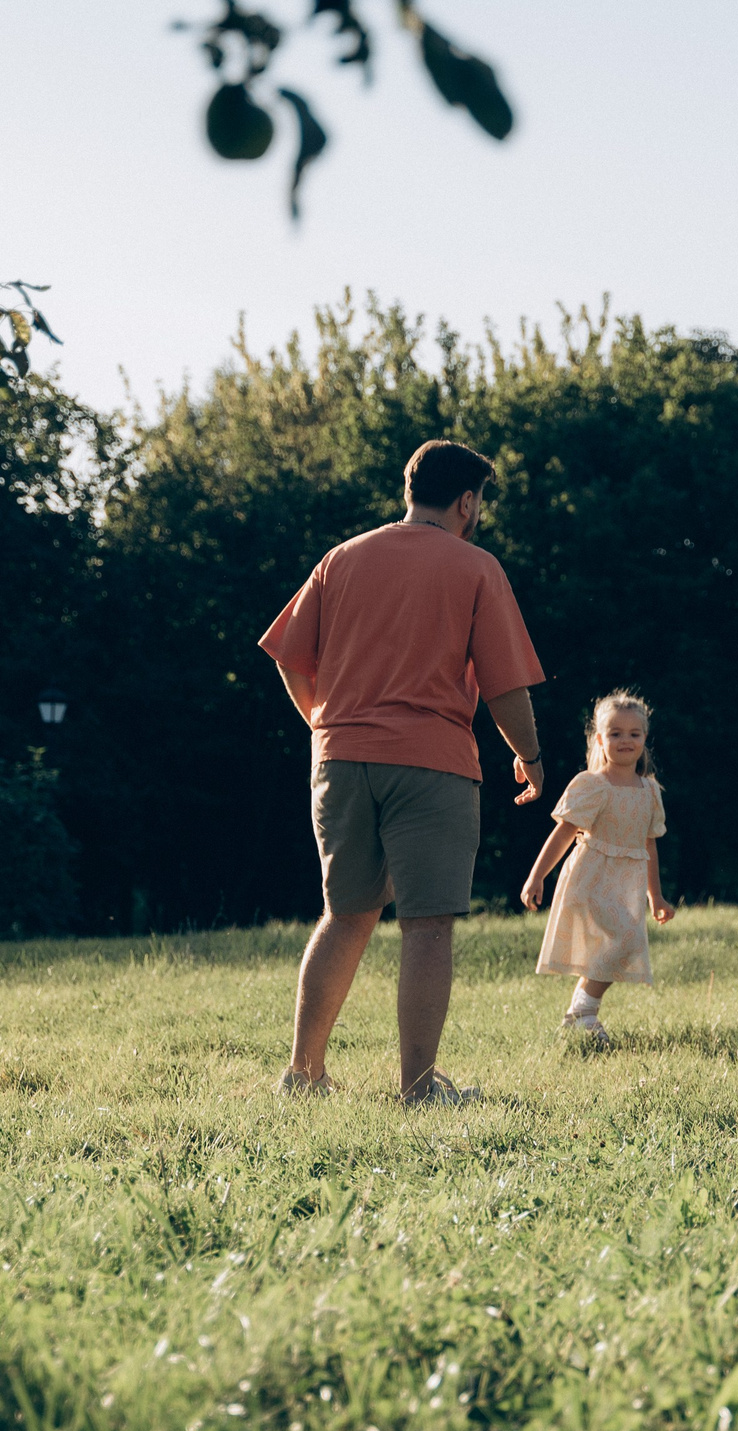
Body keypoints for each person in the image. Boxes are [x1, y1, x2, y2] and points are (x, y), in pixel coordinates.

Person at [258, 439, 548, 1105]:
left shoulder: (342, 558)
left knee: (345, 913)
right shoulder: (476, 567)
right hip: (431, 762)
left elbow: (288, 655)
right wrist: (530, 759)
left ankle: (302, 1075)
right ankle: (418, 1087)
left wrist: (323, 722)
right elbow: (506, 689)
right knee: (427, 922)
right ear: (467, 501)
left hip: (337, 757)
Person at [519, 691, 675, 1042]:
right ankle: (585, 1011)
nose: (625, 740)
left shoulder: (649, 790)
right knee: (625, 939)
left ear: (645, 739)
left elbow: (648, 844)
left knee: (619, 943)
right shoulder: (592, 784)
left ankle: (580, 1014)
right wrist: (536, 876)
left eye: (634, 733)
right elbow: (564, 833)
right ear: (600, 739)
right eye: (615, 733)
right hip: (591, 878)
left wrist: (656, 897)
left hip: (626, 883)